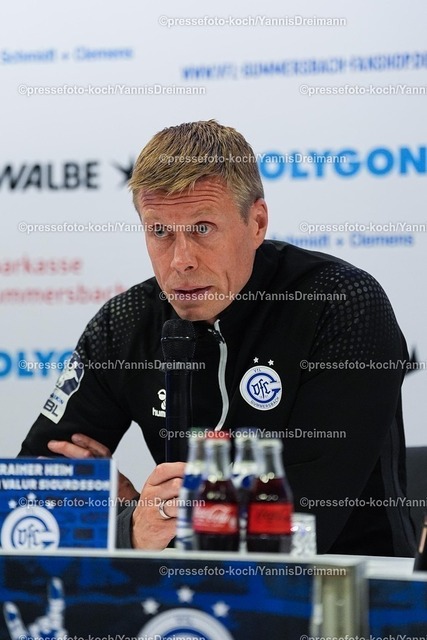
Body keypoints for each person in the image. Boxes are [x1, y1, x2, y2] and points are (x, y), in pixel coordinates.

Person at [20, 120, 416, 556]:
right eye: (160, 231)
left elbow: (304, 523)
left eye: (203, 228)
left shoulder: (339, 303)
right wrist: (129, 527)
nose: (181, 260)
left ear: (257, 222)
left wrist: (150, 520)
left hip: (348, 586)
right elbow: (31, 497)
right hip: (181, 591)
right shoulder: (124, 323)